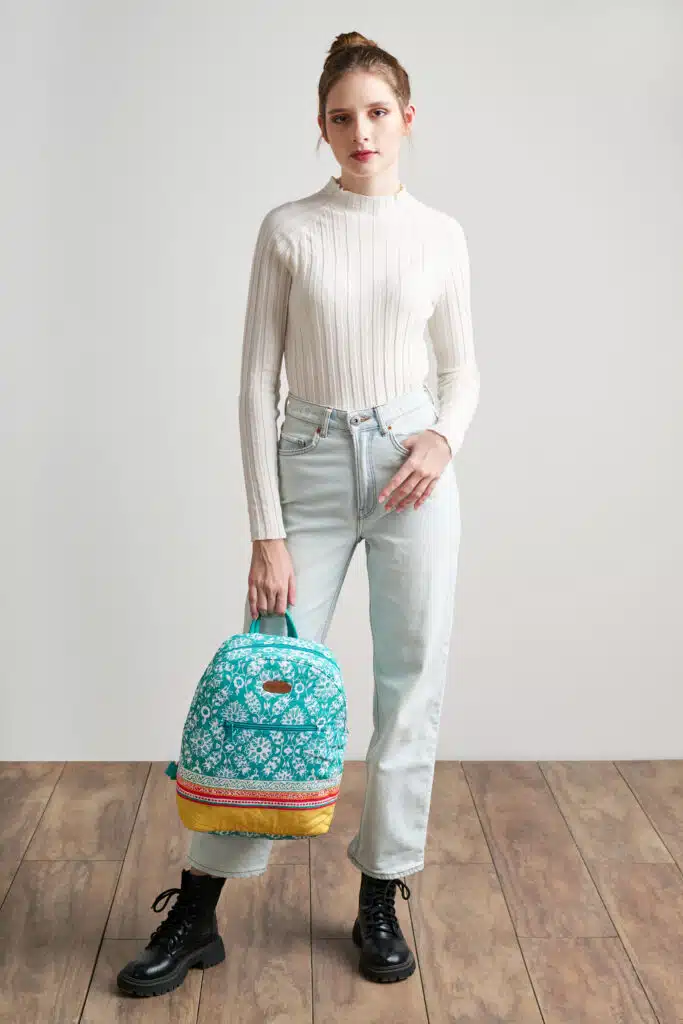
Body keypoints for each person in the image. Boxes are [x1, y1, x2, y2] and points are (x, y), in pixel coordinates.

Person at [117, 29, 480, 998]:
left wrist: (441, 441)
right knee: (260, 687)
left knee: (410, 687)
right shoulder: (289, 229)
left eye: (377, 112)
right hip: (308, 461)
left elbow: (460, 371)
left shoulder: (439, 234)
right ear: (320, 128)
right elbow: (254, 384)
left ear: (407, 118)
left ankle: (379, 892)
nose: (361, 132)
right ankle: (198, 911)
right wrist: (266, 531)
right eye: (340, 116)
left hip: (411, 472)